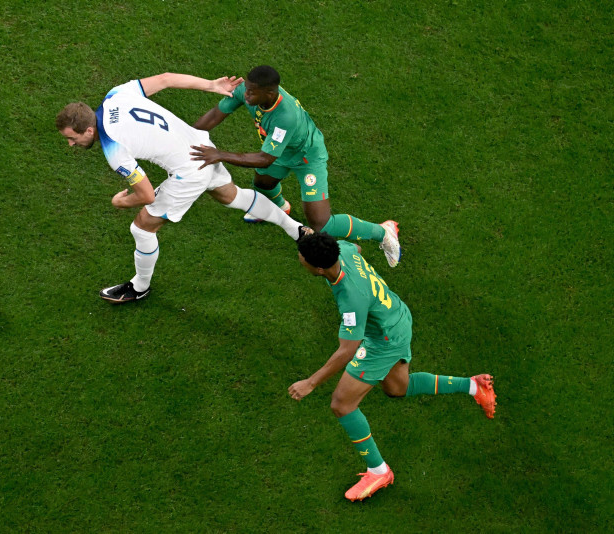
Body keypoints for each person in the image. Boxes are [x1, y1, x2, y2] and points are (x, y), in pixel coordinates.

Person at [56, 73, 311, 304]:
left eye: (72, 138)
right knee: (232, 196)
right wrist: (211, 85)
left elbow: (145, 195)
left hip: (189, 171)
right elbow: (166, 78)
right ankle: (296, 230)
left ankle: (139, 286)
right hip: (199, 146)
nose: (70, 144)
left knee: (142, 226)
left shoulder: (114, 148)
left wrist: (121, 202)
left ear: (89, 129)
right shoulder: (116, 94)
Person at [289, 232, 496, 501]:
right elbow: (357, 248)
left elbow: (347, 350)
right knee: (397, 388)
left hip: (383, 340)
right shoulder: (342, 249)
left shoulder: (351, 297)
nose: (299, 259)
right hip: (396, 317)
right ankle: (473, 386)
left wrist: (311, 382)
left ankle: (378, 471)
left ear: (319, 269)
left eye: (302, 258)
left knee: (342, 403)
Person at [191, 65, 401, 268]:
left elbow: (265, 159)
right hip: (279, 151)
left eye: (252, 92)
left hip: (306, 157)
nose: (246, 95)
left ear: (270, 93)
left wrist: (220, 155)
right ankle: (280, 207)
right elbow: (216, 113)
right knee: (263, 183)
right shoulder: (247, 91)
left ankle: (383, 232)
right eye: (247, 88)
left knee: (321, 224)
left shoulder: (285, 116)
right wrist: (185, 135)